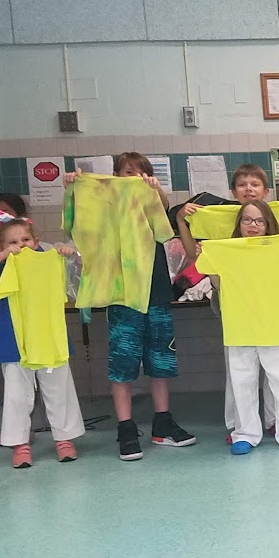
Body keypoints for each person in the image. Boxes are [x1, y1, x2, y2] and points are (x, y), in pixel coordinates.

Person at [97, 153, 196, 460]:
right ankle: (126, 429)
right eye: (128, 173)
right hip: (123, 297)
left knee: (161, 363)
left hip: (155, 295)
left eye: (143, 175)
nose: (135, 179)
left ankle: (162, 424)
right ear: (116, 175)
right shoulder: (109, 207)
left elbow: (164, 208)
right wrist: (74, 185)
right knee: (123, 366)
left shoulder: (152, 207)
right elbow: (83, 213)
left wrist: (155, 190)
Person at [0, 214, 84, 468]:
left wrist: (66, 255)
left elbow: (79, 272)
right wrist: (1, 256)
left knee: (58, 390)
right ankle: (20, 445)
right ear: (2, 247)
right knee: (17, 396)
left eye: (25, 240)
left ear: (36, 241)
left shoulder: (49, 261)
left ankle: (64, 440)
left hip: (49, 337)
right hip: (14, 341)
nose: (20, 246)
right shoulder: (2, 267)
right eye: (12, 242)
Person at [196, 201, 279, 455]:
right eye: (247, 220)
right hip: (241, 324)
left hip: (277, 324)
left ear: (268, 223)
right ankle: (245, 433)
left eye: (259, 220)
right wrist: (207, 254)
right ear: (238, 224)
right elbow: (217, 283)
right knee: (242, 381)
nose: (253, 225)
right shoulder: (227, 250)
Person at [174, 163, 275, 443]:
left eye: (255, 184)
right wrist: (183, 220)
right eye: (242, 185)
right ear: (233, 191)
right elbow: (195, 257)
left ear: (266, 192)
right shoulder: (219, 220)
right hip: (234, 304)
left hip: (271, 304)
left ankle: (275, 420)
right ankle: (240, 425)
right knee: (239, 368)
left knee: (274, 368)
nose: (249, 189)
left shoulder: (276, 218)